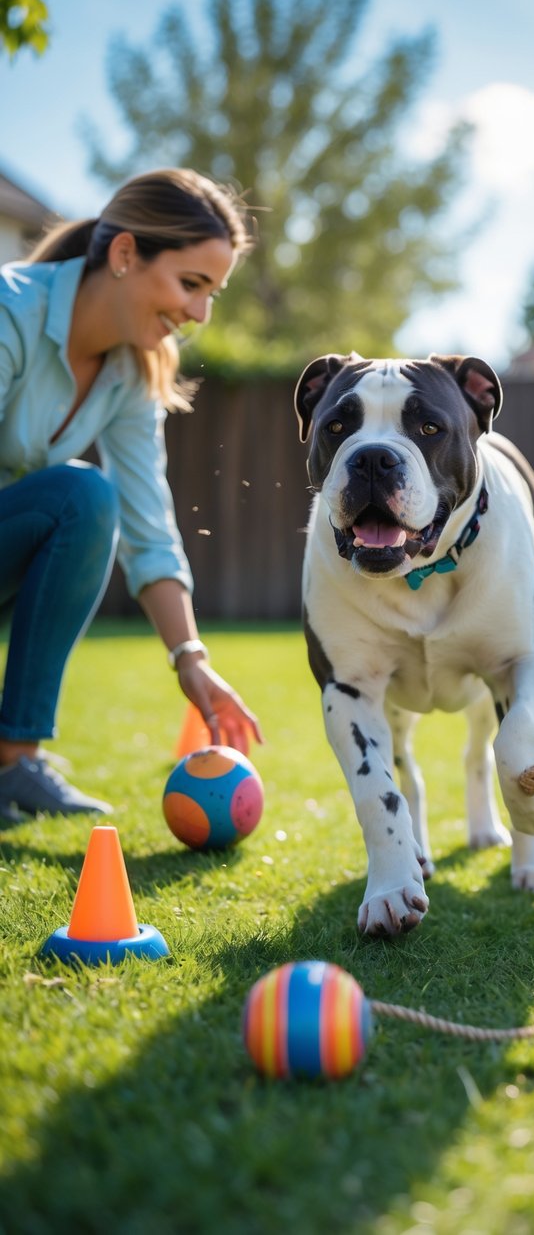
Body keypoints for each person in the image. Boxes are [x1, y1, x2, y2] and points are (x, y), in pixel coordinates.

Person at [0, 167, 262, 822]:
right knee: (76, 494)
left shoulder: (133, 368)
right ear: (124, 255)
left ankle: (15, 760)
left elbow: (149, 525)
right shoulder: (10, 311)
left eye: (213, 293)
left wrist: (190, 658)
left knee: (89, 503)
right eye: (191, 283)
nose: (200, 313)